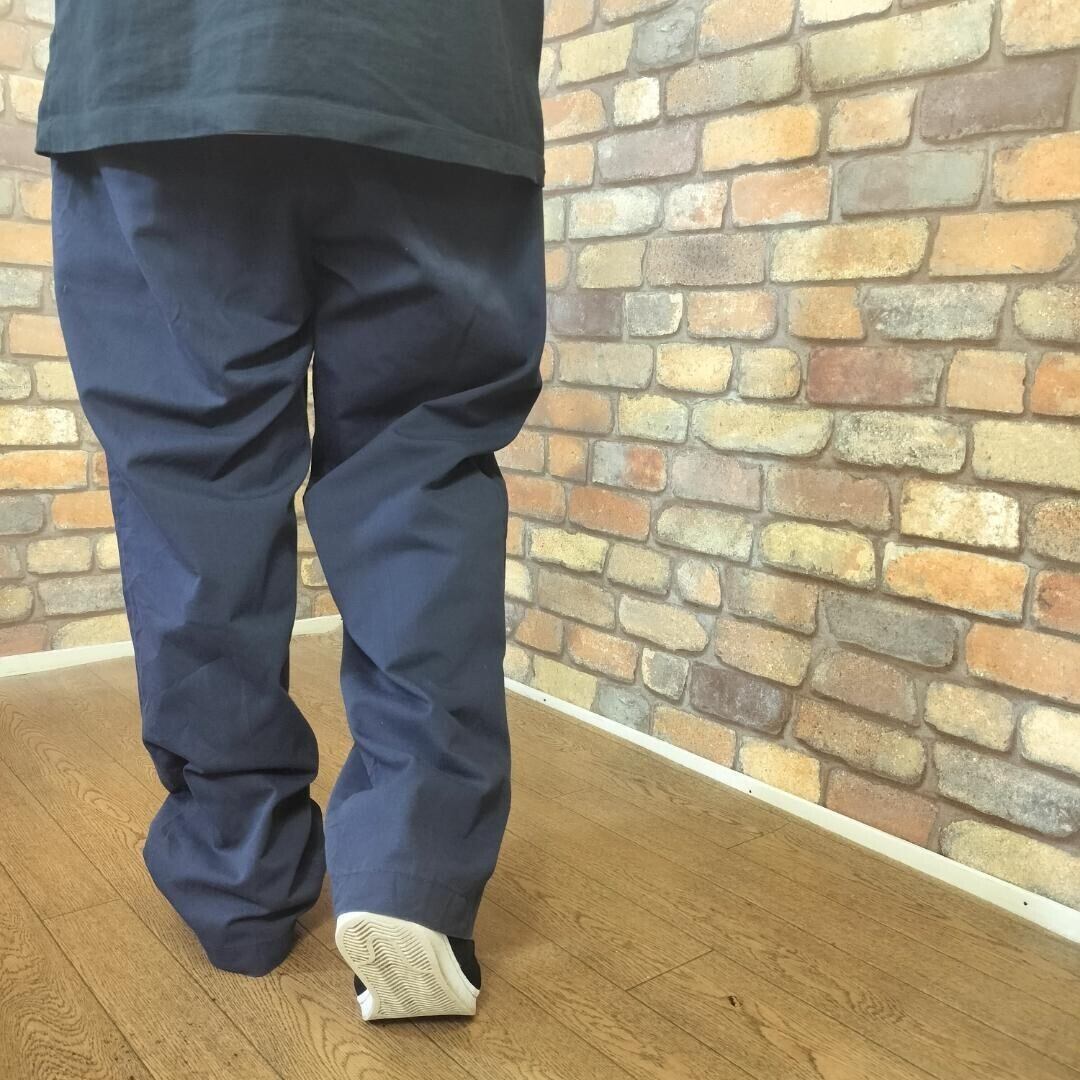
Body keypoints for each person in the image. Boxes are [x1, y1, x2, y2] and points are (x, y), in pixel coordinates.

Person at [35, 1, 546, 1022]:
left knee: (195, 480)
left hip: (165, 63)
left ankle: (238, 874)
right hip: (438, 66)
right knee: (420, 465)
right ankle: (413, 871)